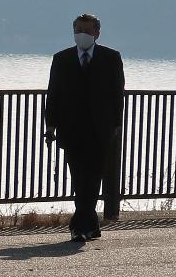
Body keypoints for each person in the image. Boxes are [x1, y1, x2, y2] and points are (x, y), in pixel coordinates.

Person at [44, 13, 126, 243]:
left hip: (100, 130)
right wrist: (50, 125)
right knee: (79, 177)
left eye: (88, 31)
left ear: (97, 33)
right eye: (79, 29)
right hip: (71, 129)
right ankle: (86, 225)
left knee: (93, 178)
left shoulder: (111, 58)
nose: (83, 34)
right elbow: (53, 94)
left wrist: (116, 124)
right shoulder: (61, 59)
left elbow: (117, 94)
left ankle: (81, 225)